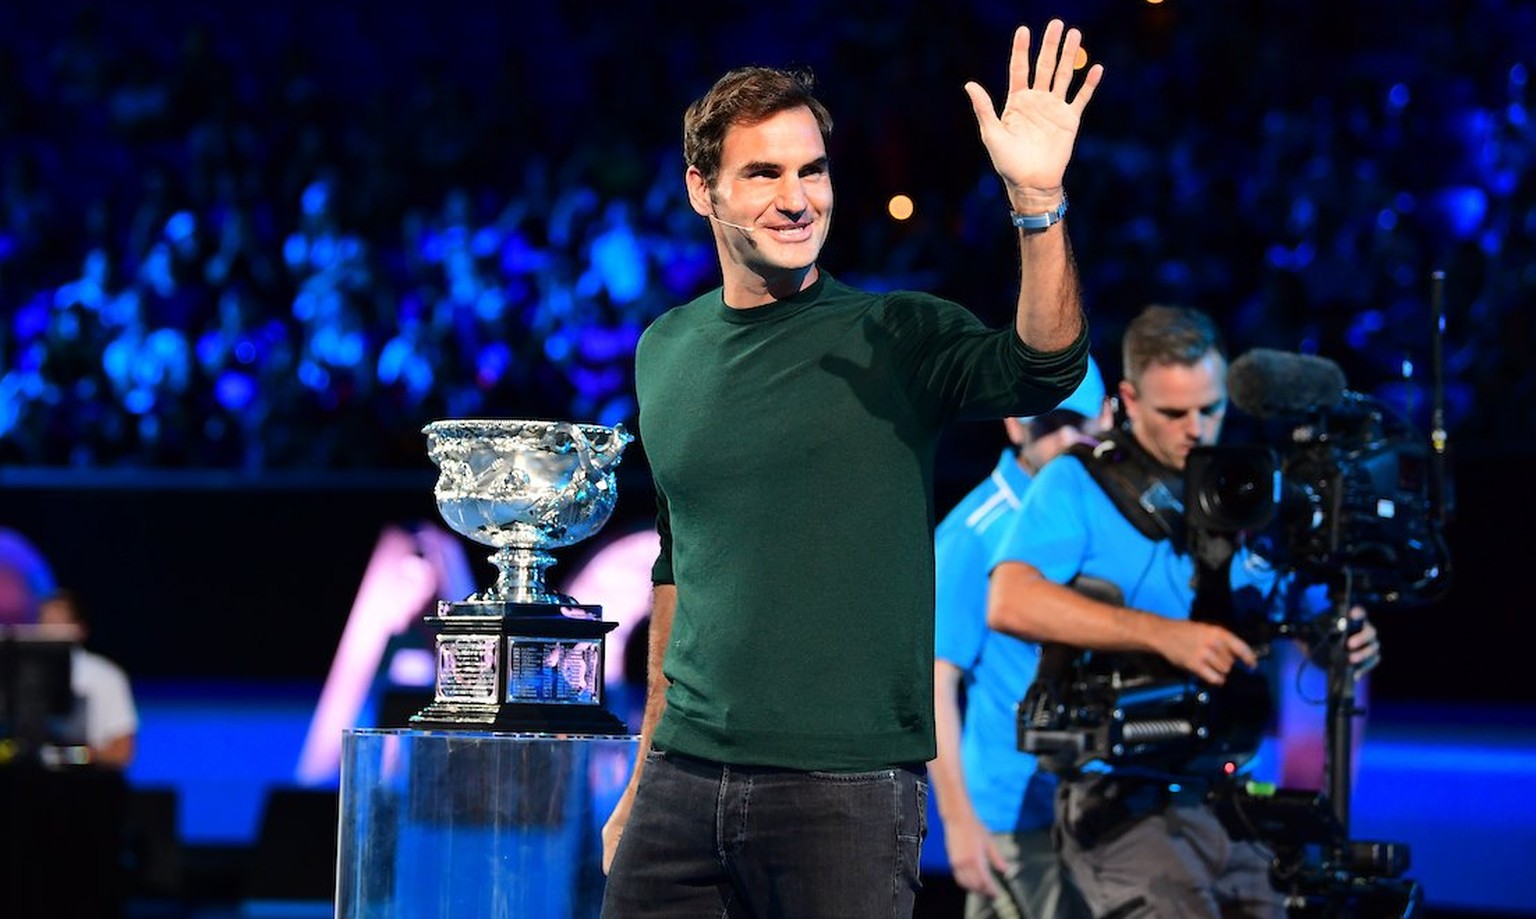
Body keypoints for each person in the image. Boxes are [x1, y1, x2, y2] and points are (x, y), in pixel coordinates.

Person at [600, 20, 1103, 919]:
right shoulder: (663, 350)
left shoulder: (898, 336)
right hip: (679, 783)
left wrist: (1038, 203)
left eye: (813, 170)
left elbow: (1045, 365)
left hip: (845, 791)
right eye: (764, 173)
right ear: (700, 191)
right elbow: (680, 565)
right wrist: (644, 775)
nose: (798, 199)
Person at [984, 305, 1382, 918]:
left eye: (1211, 409)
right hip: (1119, 796)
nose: (1195, 428)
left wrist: (1344, 638)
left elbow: (1307, 611)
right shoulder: (1078, 482)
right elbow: (1010, 599)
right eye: (1174, 412)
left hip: (1229, 793)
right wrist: (1165, 636)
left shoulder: (1250, 485)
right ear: (1128, 399)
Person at [930, 356, 1109, 919]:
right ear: (1014, 424)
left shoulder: (1117, 512)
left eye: (1077, 423)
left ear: (1109, 417)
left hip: (1113, 809)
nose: (1064, 440)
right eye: (1047, 424)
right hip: (1016, 823)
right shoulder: (972, 533)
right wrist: (959, 824)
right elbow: (933, 686)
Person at [36, 588, 139, 769]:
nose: (48, 632)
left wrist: (70, 756)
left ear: (80, 630)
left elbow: (122, 752)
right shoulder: (22, 677)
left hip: (88, 785)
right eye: (44, 623)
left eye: (57, 623)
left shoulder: (106, 676)